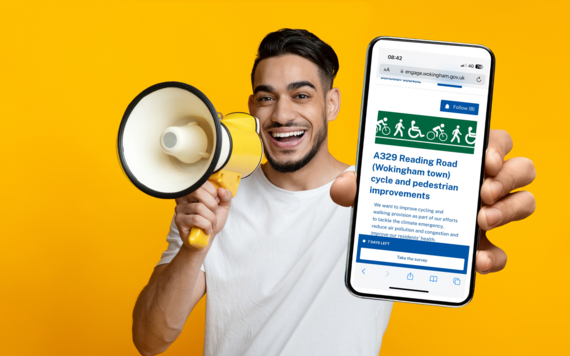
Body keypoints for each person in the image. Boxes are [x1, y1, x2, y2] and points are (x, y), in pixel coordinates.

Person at [132, 29, 536, 356]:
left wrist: (460, 211)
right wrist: (194, 248)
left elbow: (437, 237)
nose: (282, 114)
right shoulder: (213, 199)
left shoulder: (377, 191)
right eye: (266, 98)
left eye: (301, 95)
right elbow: (150, 340)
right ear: (252, 108)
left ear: (331, 103)